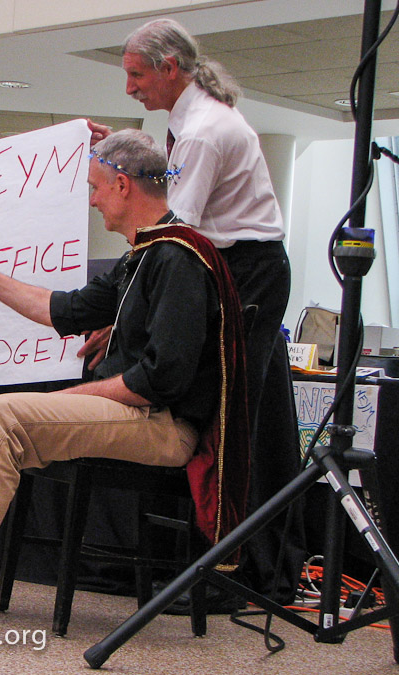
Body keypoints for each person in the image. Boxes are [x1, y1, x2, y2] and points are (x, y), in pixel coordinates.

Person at [0, 128, 249, 635]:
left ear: (123, 185)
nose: (93, 200)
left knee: (1, 414)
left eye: (96, 187)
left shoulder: (178, 256)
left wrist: (70, 396)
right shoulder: (145, 253)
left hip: (162, 424)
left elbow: (158, 380)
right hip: (134, 410)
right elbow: (65, 310)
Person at [85, 18, 304, 605]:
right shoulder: (189, 122)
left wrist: (121, 315)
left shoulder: (204, 129)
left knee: (232, 422)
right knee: (213, 415)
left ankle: (241, 575)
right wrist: (118, 157)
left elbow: (168, 229)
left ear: (169, 69)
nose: (130, 87)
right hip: (227, 270)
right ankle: (206, 562)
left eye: (136, 74)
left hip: (245, 273)